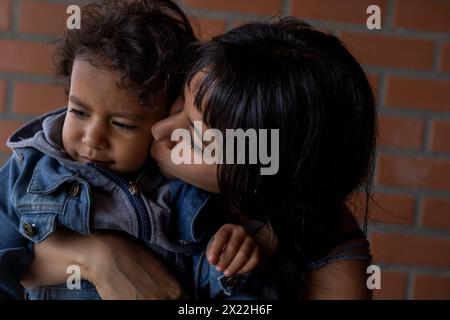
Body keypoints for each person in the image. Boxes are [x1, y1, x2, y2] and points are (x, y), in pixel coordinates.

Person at [22, 18, 376, 299]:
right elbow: (19, 248)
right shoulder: (107, 147)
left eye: (194, 137)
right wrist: (100, 257)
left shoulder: (330, 257)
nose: (159, 130)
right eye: (178, 104)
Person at [0, 0, 262, 300]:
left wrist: (231, 263)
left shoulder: (183, 196)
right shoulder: (31, 170)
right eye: (79, 112)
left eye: (123, 125)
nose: (93, 137)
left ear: (165, 118)